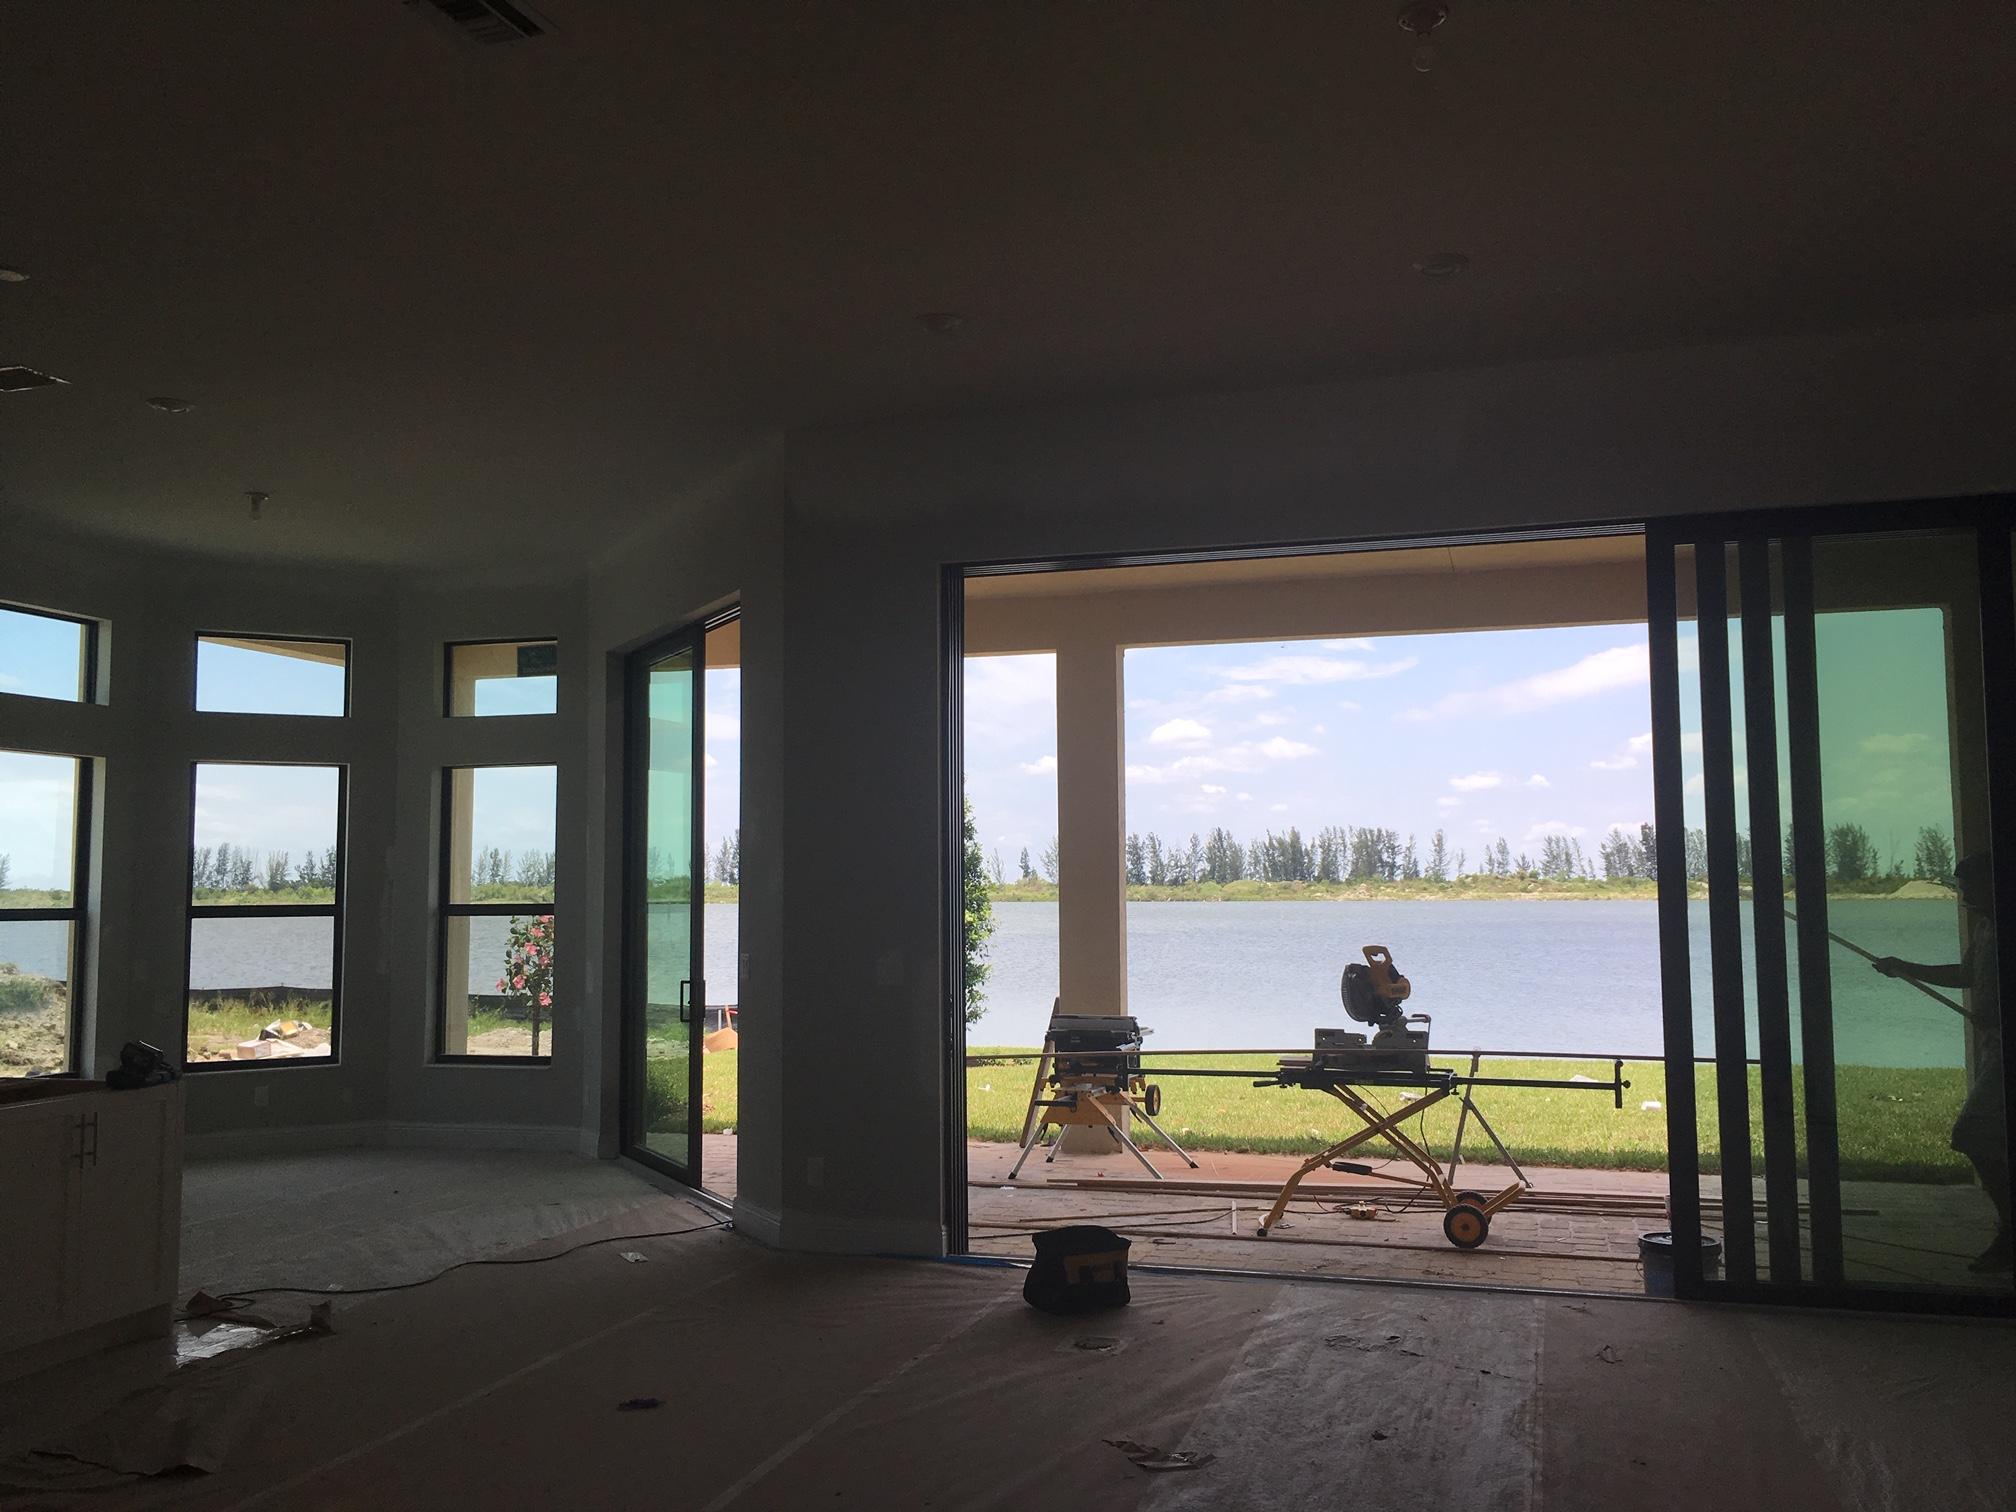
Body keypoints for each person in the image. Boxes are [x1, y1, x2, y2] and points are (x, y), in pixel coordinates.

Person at [1873, 855, 2008, 1273]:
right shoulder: (1985, 927)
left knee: (1973, 1133)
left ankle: (2011, 1230)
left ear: (1994, 884)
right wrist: (1904, 967)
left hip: (2006, 1051)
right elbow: (1967, 975)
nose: (1963, 894)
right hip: (1995, 1047)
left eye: (1971, 886)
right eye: (1961, 886)